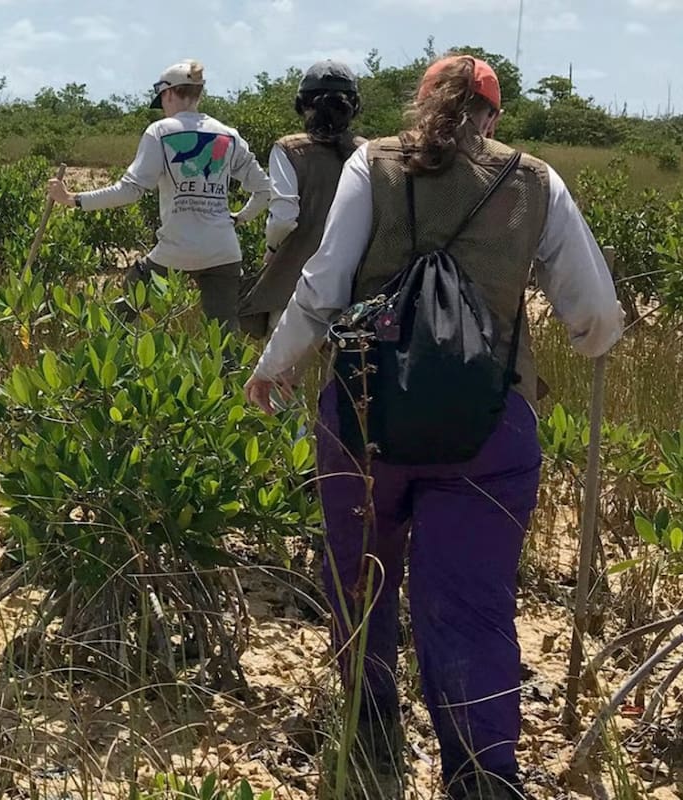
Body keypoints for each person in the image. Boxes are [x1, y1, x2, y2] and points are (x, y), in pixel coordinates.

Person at [244, 56, 623, 799]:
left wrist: (276, 362)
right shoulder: (534, 180)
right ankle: (481, 775)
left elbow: (323, 283)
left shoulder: (372, 163)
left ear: (421, 105)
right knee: (472, 608)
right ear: (495, 117)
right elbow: (595, 315)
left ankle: (371, 740)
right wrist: (591, 342)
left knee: (360, 585)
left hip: (364, 417)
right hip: (487, 429)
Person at [47, 60, 270, 335]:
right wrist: (239, 218)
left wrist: (72, 199)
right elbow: (264, 190)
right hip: (223, 251)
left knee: (118, 320)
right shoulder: (229, 135)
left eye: (163, 99)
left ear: (169, 93)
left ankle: (96, 373)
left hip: (175, 250)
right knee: (223, 340)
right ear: (198, 94)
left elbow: (130, 190)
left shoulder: (161, 131)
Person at [239, 60, 365, 338]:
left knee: (279, 377)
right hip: (355, 290)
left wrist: (271, 250)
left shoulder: (289, 149)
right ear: (353, 106)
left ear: (302, 104)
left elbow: (283, 217)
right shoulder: (369, 152)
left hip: (294, 283)